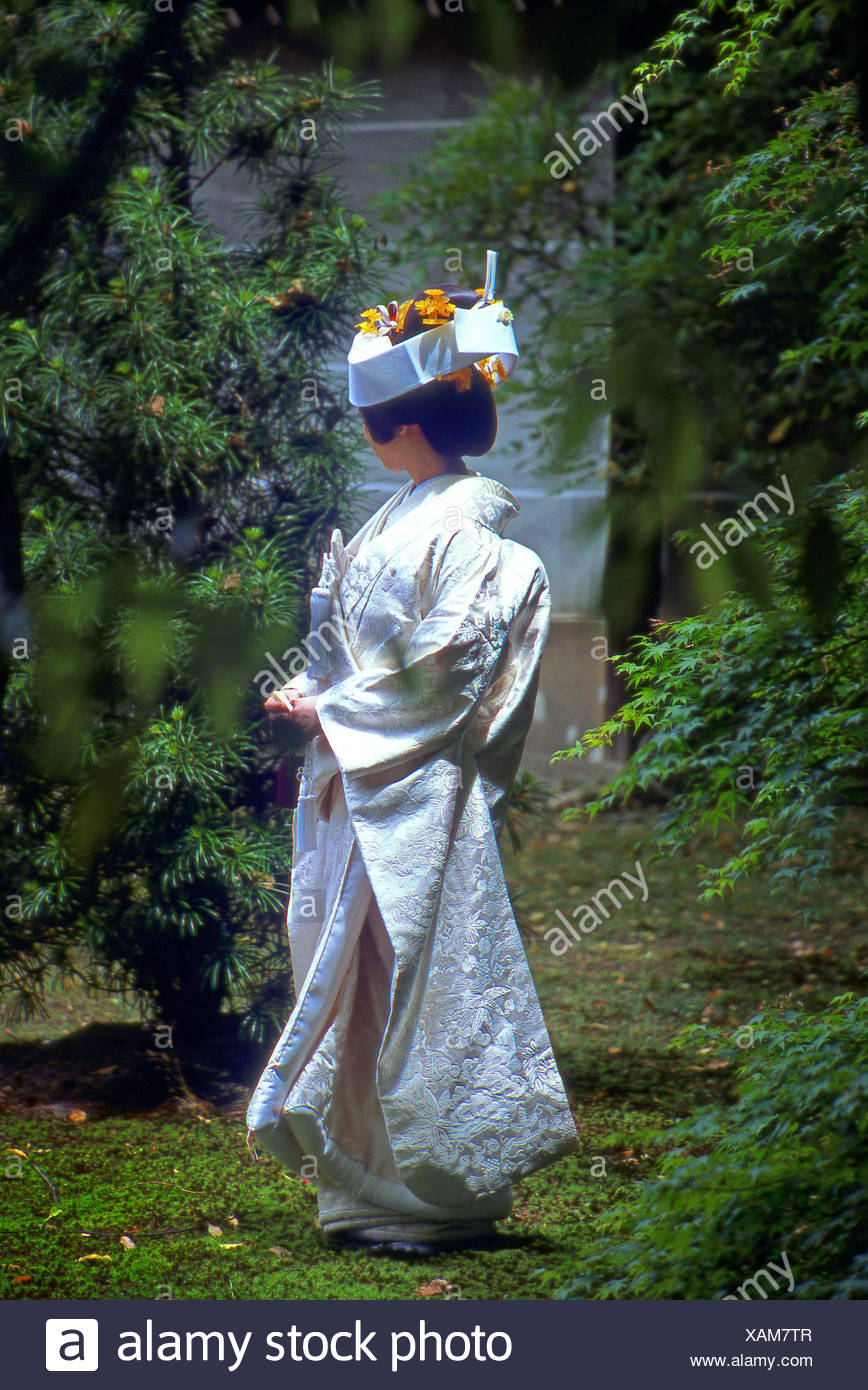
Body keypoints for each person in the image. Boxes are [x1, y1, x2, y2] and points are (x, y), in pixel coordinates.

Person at [245, 251, 579, 1256]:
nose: (365, 429)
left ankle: (431, 1192)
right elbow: (371, 652)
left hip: (414, 787)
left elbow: (445, 669)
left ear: (405, 423)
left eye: (370, 413)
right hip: (359, 774)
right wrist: (317, 693)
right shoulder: (395, 516)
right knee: (348, 970)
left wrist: (328, 715)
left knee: (404, 976)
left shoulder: (470, 534)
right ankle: (363, 1181)